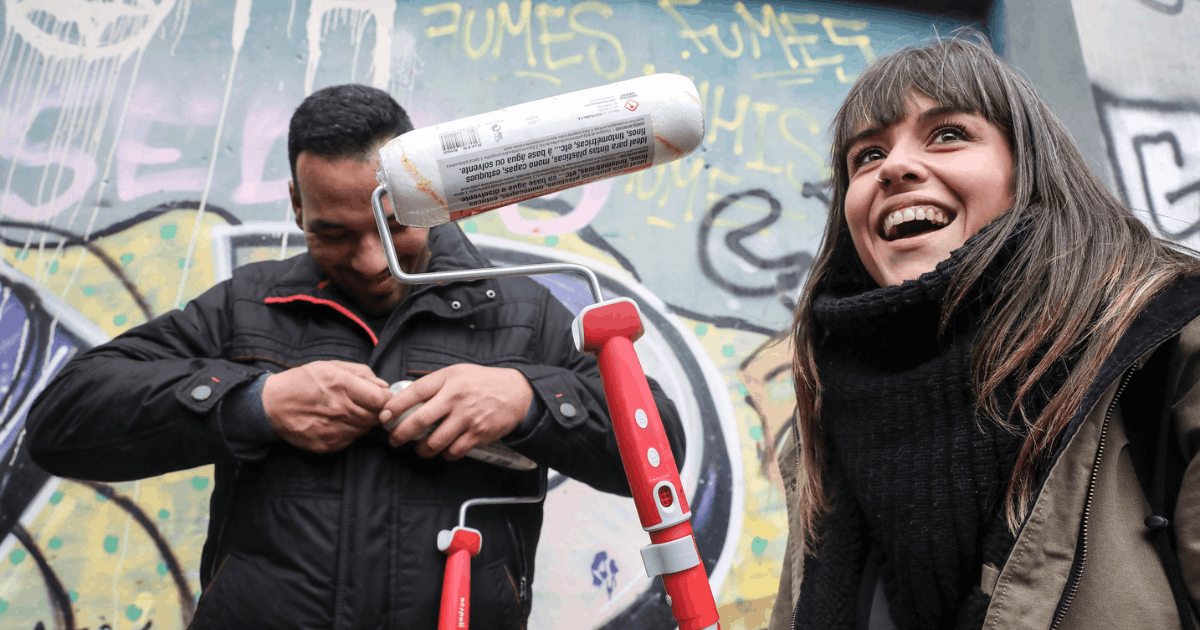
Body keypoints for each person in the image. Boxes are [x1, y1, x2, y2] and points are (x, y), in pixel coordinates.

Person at [26, 84, 685, 629]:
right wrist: (257, 404)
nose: (372, 263)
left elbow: (662, 450)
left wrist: (527, 400)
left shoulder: (521, 313)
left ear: (432, 196)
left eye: (394, 225)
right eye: (333, 234)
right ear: (295, 206)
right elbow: (61, 423)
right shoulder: (246, 306)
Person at [769, 34, 1200, 630]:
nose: (892, 168)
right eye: (866, 156)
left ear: (1030, 172)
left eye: (948, 134)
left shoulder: (1169, 348)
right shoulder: (826, 421)